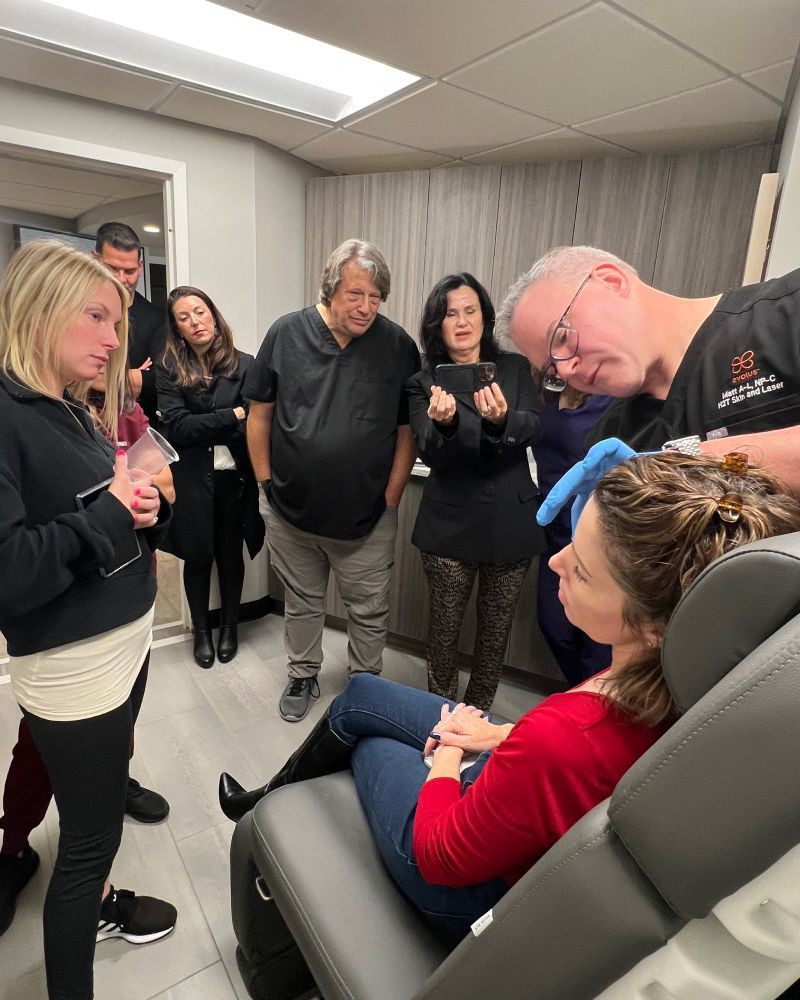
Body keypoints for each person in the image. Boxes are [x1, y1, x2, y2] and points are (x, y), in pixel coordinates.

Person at [220, 451, 800, 941]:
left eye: (584, 571)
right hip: (525, 785)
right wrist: (499, 734)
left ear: (655, 623)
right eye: (571, 544)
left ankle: (268, 817)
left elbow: (440, 855)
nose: (555, 562)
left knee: (367, 740)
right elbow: (590, 769)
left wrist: (446, 757)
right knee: (363, 694)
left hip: (468, 896)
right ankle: (268, 797)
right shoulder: (703, 678)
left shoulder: (566, 732)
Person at [0, 240, 176, 999]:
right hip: (77, 669)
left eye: (118, 322)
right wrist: (106, 516)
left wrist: (140, 506)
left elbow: (92, 517)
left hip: (120, 645)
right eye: (97, 317)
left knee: (90, 815)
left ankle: (98, 904)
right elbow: (10, 572)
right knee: (88, 843)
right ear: (39, 312)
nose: (114, 340)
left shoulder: (69, 409)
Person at [244, 239, 420, 722]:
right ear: (329, 290)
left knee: (368, 608)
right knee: (301, 603)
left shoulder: (398, 345)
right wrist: (264, 484)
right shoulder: (286, 334)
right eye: (355, 295)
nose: (366, 308)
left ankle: (365, 685)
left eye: (376, 298)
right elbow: (259, 415)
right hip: (289, 510)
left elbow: (407, 431)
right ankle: (303, 674)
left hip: (367, 513)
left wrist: (391, 496)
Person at [498, 245, 800, 483]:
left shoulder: (784, 316)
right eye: (553, 372)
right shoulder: (611, 438)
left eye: (562, 338)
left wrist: (685, 460)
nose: (566, 370)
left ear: (611, 282)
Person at [406, 273, 544, 711]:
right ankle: (440, 719)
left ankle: (478, 715)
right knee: (443, 633)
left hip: (510, 520)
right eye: (450, 314)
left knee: (494, 632)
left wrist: (501, 423)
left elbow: (533, 426)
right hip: (449, 523)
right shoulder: (423, 382)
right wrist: (444, 425)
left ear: (485, 317)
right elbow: (428, 449)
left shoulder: (516, 369)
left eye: (470, 311)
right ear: (437, 324)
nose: (462, 322)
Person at [156, 286, 265, 668]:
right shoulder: (169, 369)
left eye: (200, 313)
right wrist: (231, 416)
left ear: (213, 316)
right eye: (184, 318)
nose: (195, 322)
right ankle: (201, 631)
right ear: (177, 328)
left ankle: (230, 628)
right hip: (190, 479)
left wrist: (229, 420)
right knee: (198, 556)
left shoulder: (246, 364)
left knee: (230, 556)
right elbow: (178, 430)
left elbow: (253, 424)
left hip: (234, 479)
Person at [532, 384, 613, 684]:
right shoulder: (543, 390)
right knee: (554, 625)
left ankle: (589, 708)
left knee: (597, 642)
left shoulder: (610, 395)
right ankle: (580, 693)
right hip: (553, 529)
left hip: (598, 533)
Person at [93, 221, 166, 426]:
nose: (121, 279)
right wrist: (130, 378)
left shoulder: (158, 319)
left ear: (141, 267)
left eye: (129, 271)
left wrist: (100, 378)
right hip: (85, 427)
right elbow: (68, 377)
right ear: (95, 260)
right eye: (112, 269)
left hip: (137, 431)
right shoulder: (76, 312)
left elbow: (160, 382)